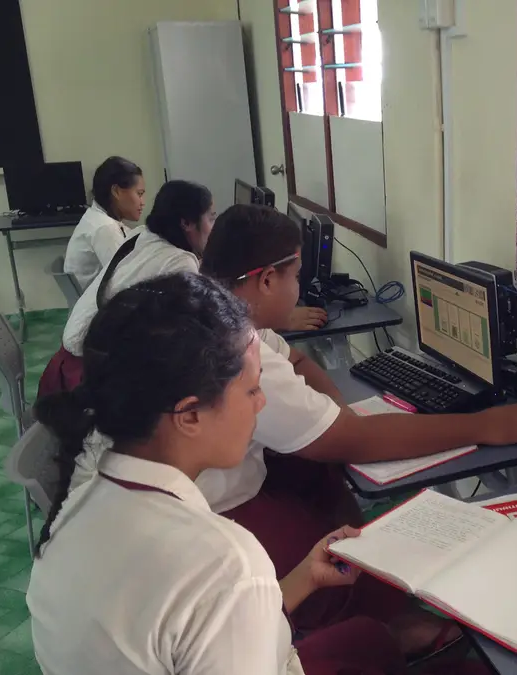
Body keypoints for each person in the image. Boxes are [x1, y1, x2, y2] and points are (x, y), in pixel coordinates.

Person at [27, 273, 412, 675]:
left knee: (366, 640)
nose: (262, 403)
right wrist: (253, 591)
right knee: (376, 647)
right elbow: (209, 601)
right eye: (251, 390)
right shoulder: (224, 561)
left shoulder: (73, 510)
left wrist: (301, 580)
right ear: (190, 414)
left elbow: (189, 626)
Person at [194, 205, 517, 635]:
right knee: (327, 496)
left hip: (210, 496)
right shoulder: (239, 347)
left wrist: (335, 410)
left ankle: (372, 587)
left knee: (322, 473)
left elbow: (300, 358)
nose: (299, 288)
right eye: (296, 276)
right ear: (266, 279)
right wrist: (484, 426)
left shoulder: (216, 309)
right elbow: (355, 439)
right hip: (219, 517)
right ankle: (395, 628)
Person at [36, 179, 217, 399]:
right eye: (211, 218)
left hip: (73, 354)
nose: (213, 227)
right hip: (87, 373)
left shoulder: (141, 234)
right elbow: (193, 325)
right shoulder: (179, 261)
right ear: (187, 223)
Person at [63, 156, 145, 289]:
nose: (143, 202)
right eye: (139, 194)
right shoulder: (105, 228)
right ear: (116, 191)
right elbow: (127, 280)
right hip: (100, 305)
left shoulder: (96, 217)